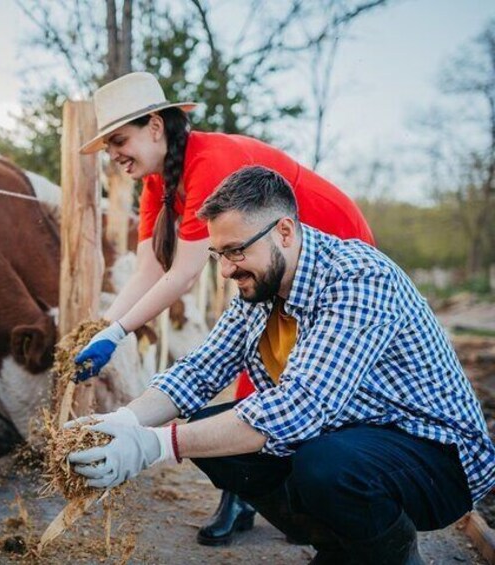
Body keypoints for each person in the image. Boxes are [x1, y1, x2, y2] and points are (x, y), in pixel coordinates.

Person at [68, 165, 495, 564]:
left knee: (324, 466)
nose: (226, 271)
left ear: (285, 232)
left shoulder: (359, 278)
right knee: (211, 433)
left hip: (438, 460)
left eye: (235, 251)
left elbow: (300, 408)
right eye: (218, 254)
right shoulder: (262, 287)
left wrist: (155, 445)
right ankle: (341, 546)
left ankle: (394, 553)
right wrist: (124, 422)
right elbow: (198, 372)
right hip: (355, 435)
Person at [74, 71, 375, 545]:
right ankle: (251, 493)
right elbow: (150, 268)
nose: (113, 154)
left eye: (118, 139)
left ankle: (317, 493)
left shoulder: (209, 161)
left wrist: (120, 335)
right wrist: (108, 328)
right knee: (254, 351)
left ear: (155, 126)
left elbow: (184, 273)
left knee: (300, 374)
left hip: (326, 237)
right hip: (265, 253)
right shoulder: (159, 183)